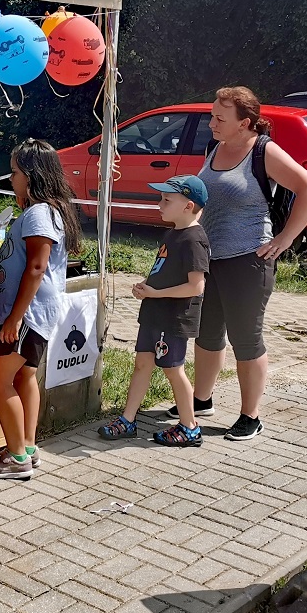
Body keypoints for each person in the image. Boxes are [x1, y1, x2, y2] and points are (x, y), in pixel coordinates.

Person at [187, 86, 307, 441]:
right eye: (212, 114)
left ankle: (250, 416)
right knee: (206, 334)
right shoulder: (216, 146)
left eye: (219, 117)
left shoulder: (264, 151)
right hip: (210, 258)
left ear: (244, 123)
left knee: (246, 340)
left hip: (248, 260)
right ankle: (201, 400)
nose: (211, 122)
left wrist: (285, 239)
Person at [0, 138, 81, 480]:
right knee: (25, 376)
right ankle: (28, 446)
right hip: (36, 313)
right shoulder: (46, 210)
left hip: (27, 314)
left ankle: (17, 457)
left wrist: (15, 316)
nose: (11, 179)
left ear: (33, 175)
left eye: (15, 172)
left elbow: (37, 268)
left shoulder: (39, 214)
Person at [98, 175, 210, 446]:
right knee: (142, 364)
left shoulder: (194, 239)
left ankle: (189, 426)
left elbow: (196, 286)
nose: (159, 204)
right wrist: (145, 285)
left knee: (173, 370)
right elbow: (161, 270)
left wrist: (157, 293)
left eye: (166, 200)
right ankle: (128, 419)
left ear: (188, 206)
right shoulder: (171, 234)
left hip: (173, 319)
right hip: (154, 313)